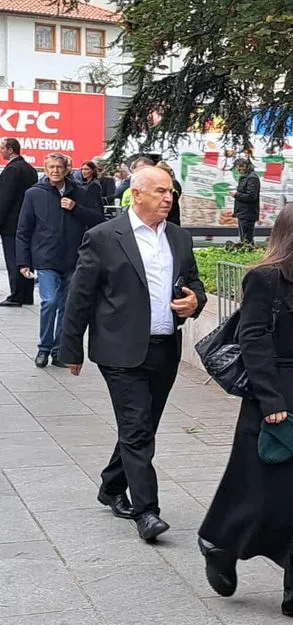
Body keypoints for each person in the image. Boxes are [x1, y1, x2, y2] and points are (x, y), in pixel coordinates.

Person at [198, 200, 293, 625]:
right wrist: (271, 402)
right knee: (254, 492)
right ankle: (220, 545)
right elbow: (254, 340)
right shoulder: (264, 279)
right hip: (274, 399)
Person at [60, 167, 206, 541]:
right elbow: (80, 296)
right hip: (120, 351)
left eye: (171, 191)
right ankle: (147, 511)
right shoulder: (104, 237)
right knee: (138, 428)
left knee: (141, 426)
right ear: (136, 194)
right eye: (159, 191)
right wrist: (71, 347)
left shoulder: (178, 237)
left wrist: (195, 301)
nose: (167, 198)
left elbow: (193, 284)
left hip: (164, 347)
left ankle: (111, 485)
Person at [16, 153, 106, 367]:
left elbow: (98, 220)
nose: (55, 171)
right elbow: (23, 229)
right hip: (46, 258)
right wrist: (23, 261)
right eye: (51, 167)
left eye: (59, 167)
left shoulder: (80, 193)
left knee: (67, 306)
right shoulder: (34, 194)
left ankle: (59, 350)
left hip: (74, 258)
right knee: (50, 301)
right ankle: (43, 348)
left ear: (67, 169)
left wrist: (75, 208)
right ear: (45, 170)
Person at [0, 138, 38, 307]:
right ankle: (26, 294)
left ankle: (16, 294)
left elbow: (5, 199)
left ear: (10, 149)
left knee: (13, 258)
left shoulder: (12, 169)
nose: (1, 152)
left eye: (2, 148)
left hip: (11, 223)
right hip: (28, 221)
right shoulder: (29, 169)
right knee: (25, 258)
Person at [232, 157, 260, 244]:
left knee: (247, 240)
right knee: (244, 239)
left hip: (248, 213)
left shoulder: (252, 178)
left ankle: (249, 255)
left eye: (239, 167)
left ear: (245, 166)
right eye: (237, 168)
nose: (238, 170)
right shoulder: (246, 177)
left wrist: (236, 195)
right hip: (243, 212)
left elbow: (251, 196)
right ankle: (246, 253)